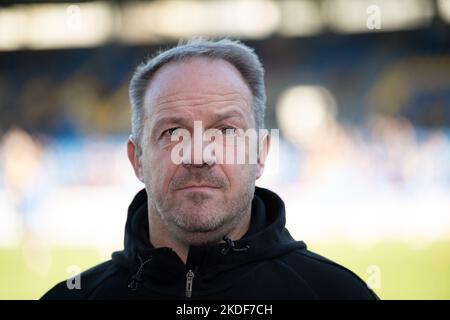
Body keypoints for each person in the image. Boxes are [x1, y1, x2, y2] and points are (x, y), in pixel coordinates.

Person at [42, 38, 378, 300]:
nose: (199, 155)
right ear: (137, 159)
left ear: (260, 154)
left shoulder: (340, 294)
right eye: (173, 132)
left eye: (226, 131)